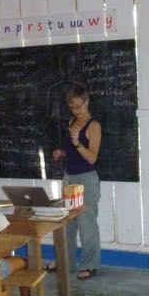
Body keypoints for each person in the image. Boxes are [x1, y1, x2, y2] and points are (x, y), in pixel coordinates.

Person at [51, 85, 102, 280]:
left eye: (78, 106)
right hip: (70, 177)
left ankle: (90, 264)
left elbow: (91, 158)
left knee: (86, 223)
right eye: (71, 107)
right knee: (67, 223)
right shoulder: (73, 121)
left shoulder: (93, 126)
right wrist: (62, 152)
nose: (75, 110)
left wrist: (77, 143)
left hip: (86, 179)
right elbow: (73, 152)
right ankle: (66, 262)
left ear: (86, 101)